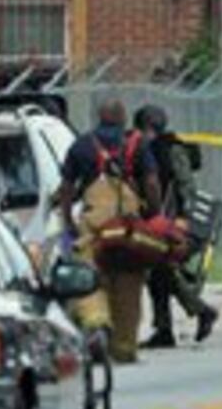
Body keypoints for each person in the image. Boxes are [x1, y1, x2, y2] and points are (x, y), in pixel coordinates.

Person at [56, 98, 162, 364]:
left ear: (99, 117)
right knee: (129, 285)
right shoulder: (138, 146)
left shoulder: (81, 146)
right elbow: (151, 183)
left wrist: (68, 220)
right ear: (123, 119)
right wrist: (154, 214)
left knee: (89, 278)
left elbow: (66, 187)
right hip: (128, 228)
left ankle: (97, 324)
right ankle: (124, 347)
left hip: (94, 228)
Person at [135, 105, 219, 348]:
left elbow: (186, 186)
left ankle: (201, 311)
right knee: (158, 272)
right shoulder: (149, 150)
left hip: (176, 222)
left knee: (162, 267)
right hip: (158, 220)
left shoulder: (171, 150)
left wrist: (183, 216)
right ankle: (165, 329)